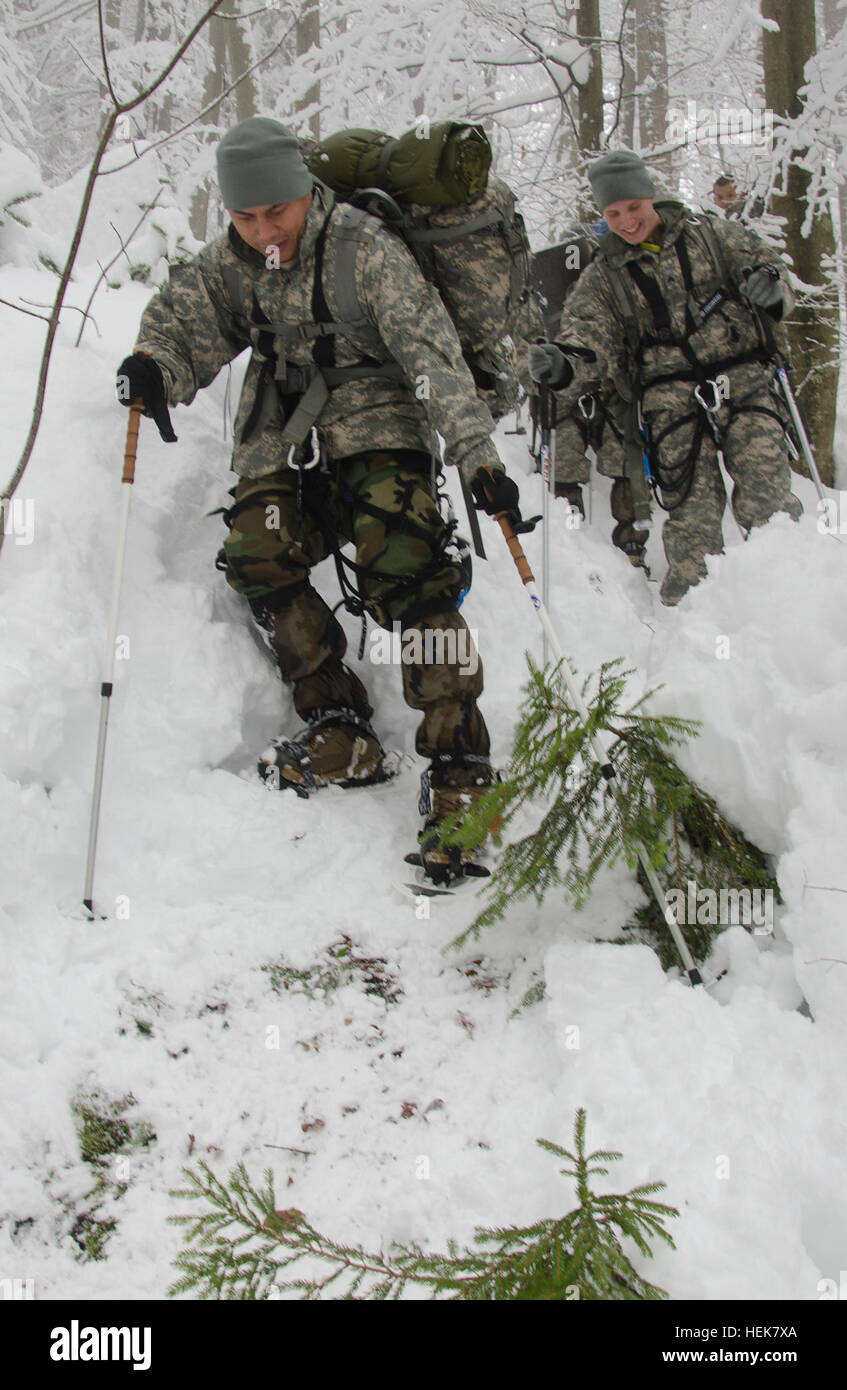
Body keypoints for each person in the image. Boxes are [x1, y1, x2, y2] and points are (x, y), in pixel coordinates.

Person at [116, 115, 522, 882]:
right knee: (257, 554)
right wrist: (153, 366)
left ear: (306, 191)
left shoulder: (366, 249)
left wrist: (475, 456)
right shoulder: (231, 260)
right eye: (245, 215)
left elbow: (431, 357)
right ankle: (339, 723)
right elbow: (185, 322)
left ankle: (461, 770)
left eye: (278, 211)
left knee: (406, 569)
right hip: (281, 425)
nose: (264, 229)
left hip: (380, 417)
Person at [528, 150, 802, 605]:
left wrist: (771, 290)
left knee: (769, 499)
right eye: (613, 213)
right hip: (670, 398)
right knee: (691, 520)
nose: (627, 221)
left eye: (633, 207)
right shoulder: (601, 278)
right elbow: (587, 334)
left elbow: (771, 271)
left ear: (651, 196)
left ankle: (795, 601)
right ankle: (698, 624)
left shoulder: (712, 236)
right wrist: (564, 366)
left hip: (745, 378)